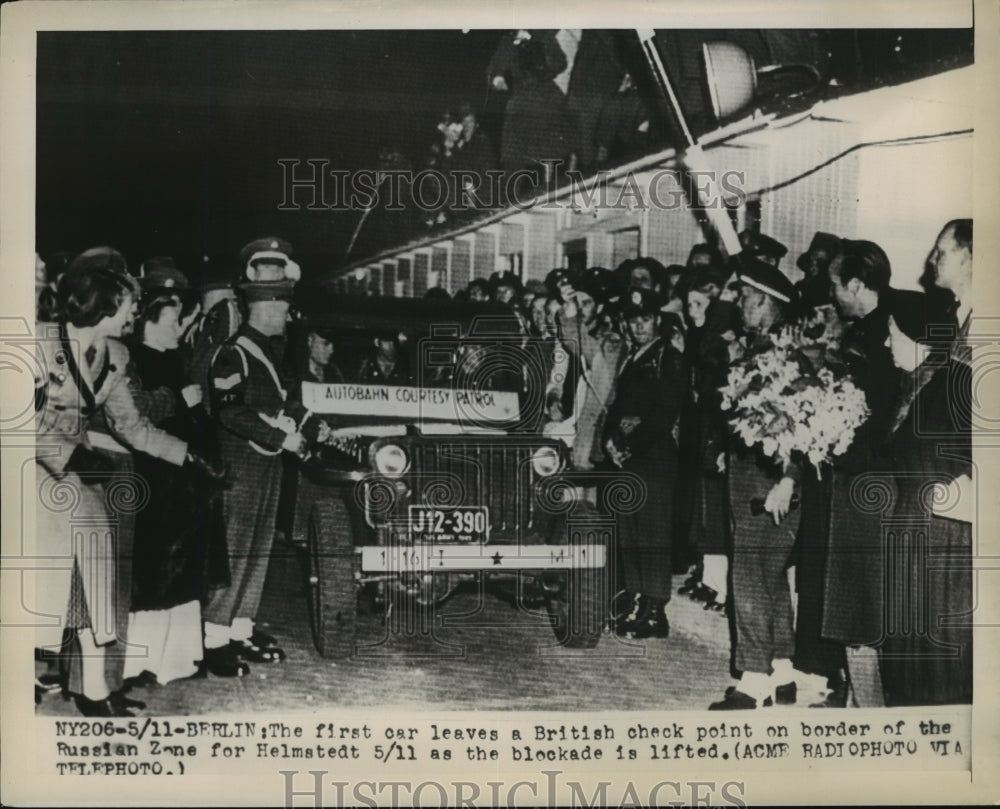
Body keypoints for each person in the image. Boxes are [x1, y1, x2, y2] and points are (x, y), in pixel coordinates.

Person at [33, 257, 215, 716]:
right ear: (107, 304)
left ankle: (95, 688)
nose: (135, 314)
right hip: (30, 470)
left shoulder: (115, 355)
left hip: (75, 477)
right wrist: (70, 456)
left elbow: (132, 427)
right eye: (131, 305)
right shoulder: (36, 343)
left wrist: (186, 454)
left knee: (100, 577)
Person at [202, 240, 306, 675]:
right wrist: (278, 438)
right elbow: (230, 410)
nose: (287, 317)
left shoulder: (273, 354)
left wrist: (314, 427)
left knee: (258, 550)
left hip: (266, 468)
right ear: (263, 309)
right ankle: (213, 638)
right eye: (283, 310)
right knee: (236, 551)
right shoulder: (235, 352)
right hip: (241, 469)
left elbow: (285, 403)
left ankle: (240, 628)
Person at [799, 239, 895, 707]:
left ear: (857, 284)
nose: (833, 293)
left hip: (863, 483)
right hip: (855, 477)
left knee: (858, 605)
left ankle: (867, 710)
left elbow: (877, 417)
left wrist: (832, 440)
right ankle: (853, 695)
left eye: (837, 284)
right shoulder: (870, 330)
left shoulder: (875, 337)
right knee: (850, 601)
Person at [126, 288, 234, 684]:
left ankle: (178, 661)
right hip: (156, 480)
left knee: (184, 573)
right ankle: (142, 663)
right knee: (155, 574)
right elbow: (136, 418)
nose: (179, 329)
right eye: (172, 322)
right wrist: (181, 400)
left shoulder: (174, 359)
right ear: (148, 325)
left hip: (185, 483)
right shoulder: (137, 361)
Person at [710, 257, 803, 710]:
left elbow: (804, 428)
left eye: (745, 297)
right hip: (758, 477)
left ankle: (752, 681)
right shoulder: (765, 349)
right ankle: (782, 672)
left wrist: (788, 478)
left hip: (770, 485)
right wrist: (735, 447)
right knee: (770, 578)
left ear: (765, 301)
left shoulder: (781, 355)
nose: (739, 304)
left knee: (748, 578)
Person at [879, 289, 971, 706]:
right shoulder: (912, 386)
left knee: (933, 655)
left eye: (892, 334)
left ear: (918, 340)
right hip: (911, 526)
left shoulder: (952, 386)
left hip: (939, 535)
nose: (885, 343)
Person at [603, 287, 686, 639]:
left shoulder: (669, 357)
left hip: (653, 457)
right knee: (631, 532)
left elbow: (664, 414)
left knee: (652, 534)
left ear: (657, 321)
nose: (639, 326)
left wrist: (630, 446)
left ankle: (655, 611)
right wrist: (609, 440)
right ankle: (636, 602)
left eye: (646, 319)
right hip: (627, 457)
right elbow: (617, 406)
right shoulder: (632, 356)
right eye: (633, 320)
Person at [794, 231, 840, 310]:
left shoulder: (835, 291)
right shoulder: (799, 287)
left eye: (820, 261)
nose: (813, 265)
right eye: (811, 260)